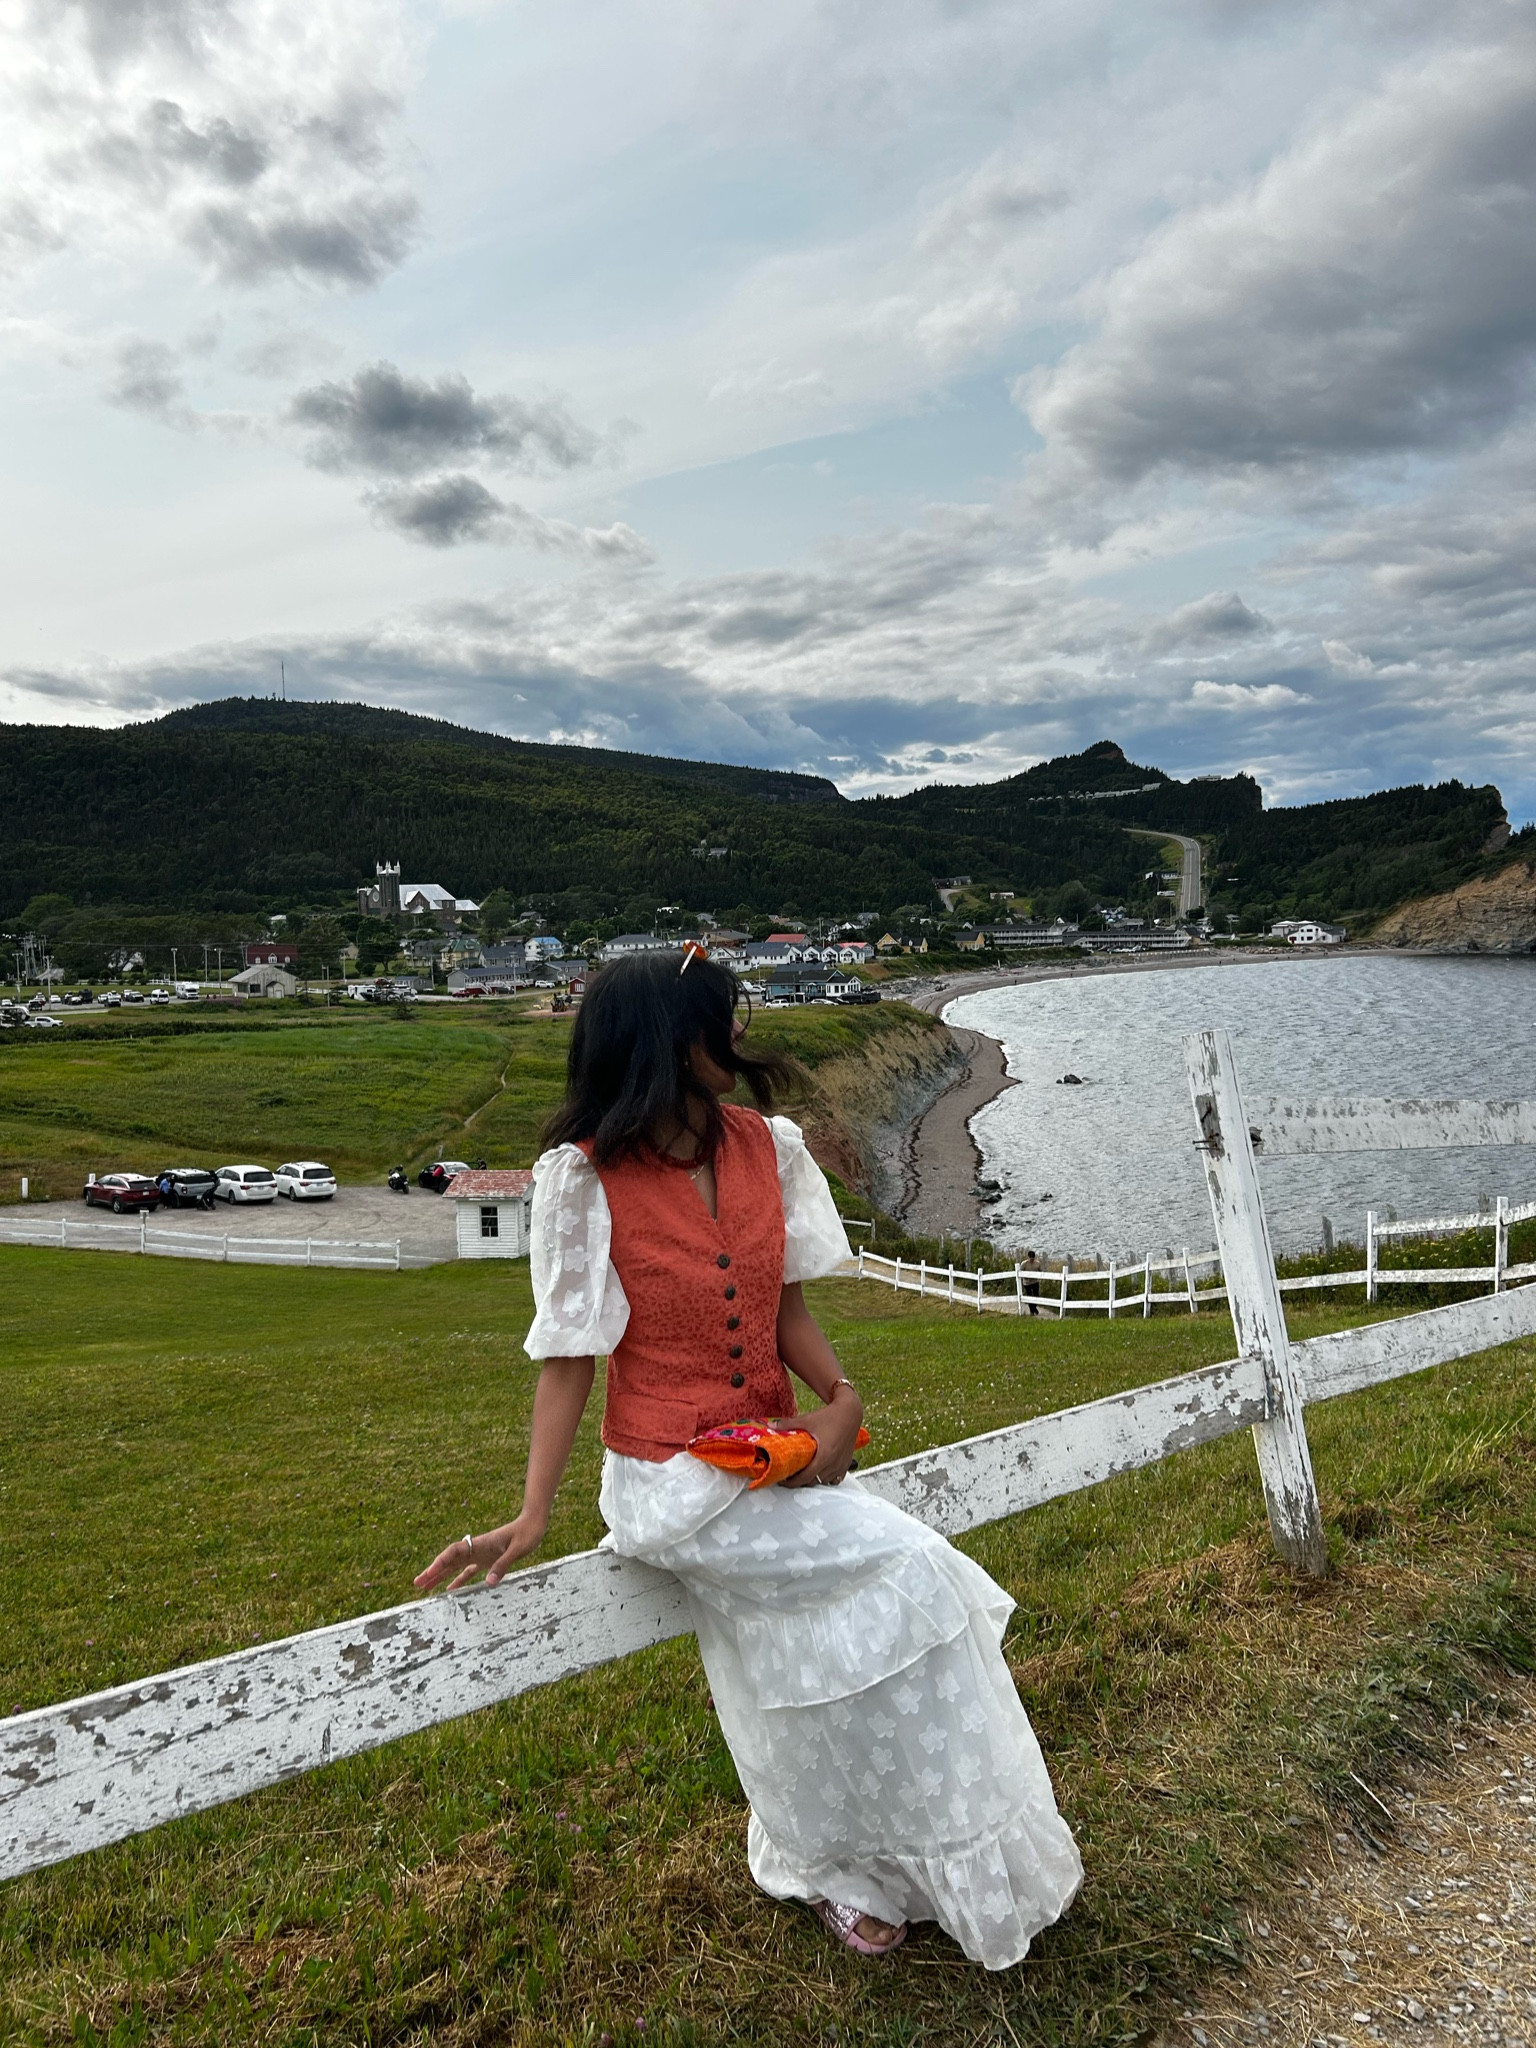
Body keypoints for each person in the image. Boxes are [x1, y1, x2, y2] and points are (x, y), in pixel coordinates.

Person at [415, 953, 1081, 1967]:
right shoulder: (586, 1177)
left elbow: (782, 1304)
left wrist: (841, 1399)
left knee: (804, 1664)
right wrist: (533, 1509)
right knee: (915, 1577)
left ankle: (849, 1862)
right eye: (720, 1022)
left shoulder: (768, 1145)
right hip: (674, 1483)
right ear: (669, 1043)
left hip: (766, 1457)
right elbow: (567, 1360)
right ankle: (873, 1860)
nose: (738, 1035)